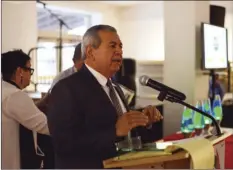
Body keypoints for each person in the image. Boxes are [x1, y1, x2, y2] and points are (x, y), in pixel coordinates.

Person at [47, 25, 163, 169]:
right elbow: (64, 144)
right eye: (112, 46)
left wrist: (142, 121)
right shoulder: (66, 88)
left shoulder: (115, 87)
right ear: (90, 52)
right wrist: (114, 131)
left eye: (121, 46)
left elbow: (124, 133)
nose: (119, 51)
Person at [1, 50, 50, 169]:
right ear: (20, 71)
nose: (30, 75)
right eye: (29, 69)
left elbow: (23, 114)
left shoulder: (5, 90)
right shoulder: (15, 95)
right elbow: (45, 125)